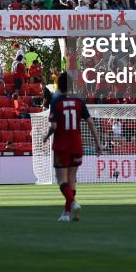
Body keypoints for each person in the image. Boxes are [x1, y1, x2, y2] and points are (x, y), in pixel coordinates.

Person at [41, 73, 102, 222]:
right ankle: (67, 214)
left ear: (58, 86)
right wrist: (97, 142)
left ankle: (73, 203)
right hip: (76, 144)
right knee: (72, 180)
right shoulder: (79, 102)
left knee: (61, 180)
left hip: (62, 145)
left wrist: (46, 136)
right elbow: (91, 123)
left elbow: (54, 126)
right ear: (72, 86)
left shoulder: (56, 103)